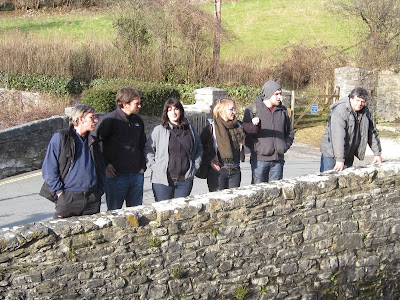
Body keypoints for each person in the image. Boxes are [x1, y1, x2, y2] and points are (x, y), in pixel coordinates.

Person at [41, 105, 105, 218]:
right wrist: (60, 192)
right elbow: (49, 169)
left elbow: (100, 166)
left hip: (92, 197)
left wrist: (99, 190)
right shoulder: (61, 137)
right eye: (92, 117)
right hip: (68, 197)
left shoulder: (93, 140)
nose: (96, 120)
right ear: (80, 119)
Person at [93, 87, 146, 210]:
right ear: (125, 104)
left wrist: (143, 166)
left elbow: (143, 144)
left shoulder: (138, 120)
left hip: (137, 175)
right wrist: (105, 165)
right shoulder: (109, 120)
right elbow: (93, 143)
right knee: (114, 214)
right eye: (136, 103)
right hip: (116, 177)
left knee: (136, 213)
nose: (140, 106)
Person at [145, 98, 203, 201]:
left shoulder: (190, 129)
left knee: (180, 213)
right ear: (166, 112)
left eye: (176, 109)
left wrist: (195, 166)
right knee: (163, 213)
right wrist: (154, 166)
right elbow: (148, 149)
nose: (173, 112)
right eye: (169, 109)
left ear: (180, 110)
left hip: (184, 181)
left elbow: (199, 148)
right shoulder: (159, 130)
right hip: (162, 182)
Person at [242, 80, 294, 184]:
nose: (280, 97)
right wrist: (258, 148)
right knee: (258, 192)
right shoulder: (252, 110)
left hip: (278, 160)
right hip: (259, 161)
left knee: (276, 193)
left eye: (280, 94)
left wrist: (283, 146)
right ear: (268, 94)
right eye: (276, 94)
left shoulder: (283, 110)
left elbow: (290, 132)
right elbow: (245, 134)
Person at [320, 87, 382, 172]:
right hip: (331, 154)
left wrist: (377, 153)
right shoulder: (340, 111)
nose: (360, 104)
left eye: (362, 102)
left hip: (349, 152)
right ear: (351, 98)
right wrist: (340, 160)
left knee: (346, 182)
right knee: (327, 180)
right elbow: (338, 137)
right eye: (357, 100)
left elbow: (371, 132)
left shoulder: (365, 112)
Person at [200, 98, 245, 192]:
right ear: (222, 110)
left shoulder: (239, 125)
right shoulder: (210, 128)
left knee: (234, 202)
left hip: (235, 170)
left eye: (234, 109)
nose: (234, 112)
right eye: (231, 109)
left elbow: (252, 131)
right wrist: (210, 160)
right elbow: (200, 149)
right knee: (217, 202)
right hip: (217, 172)